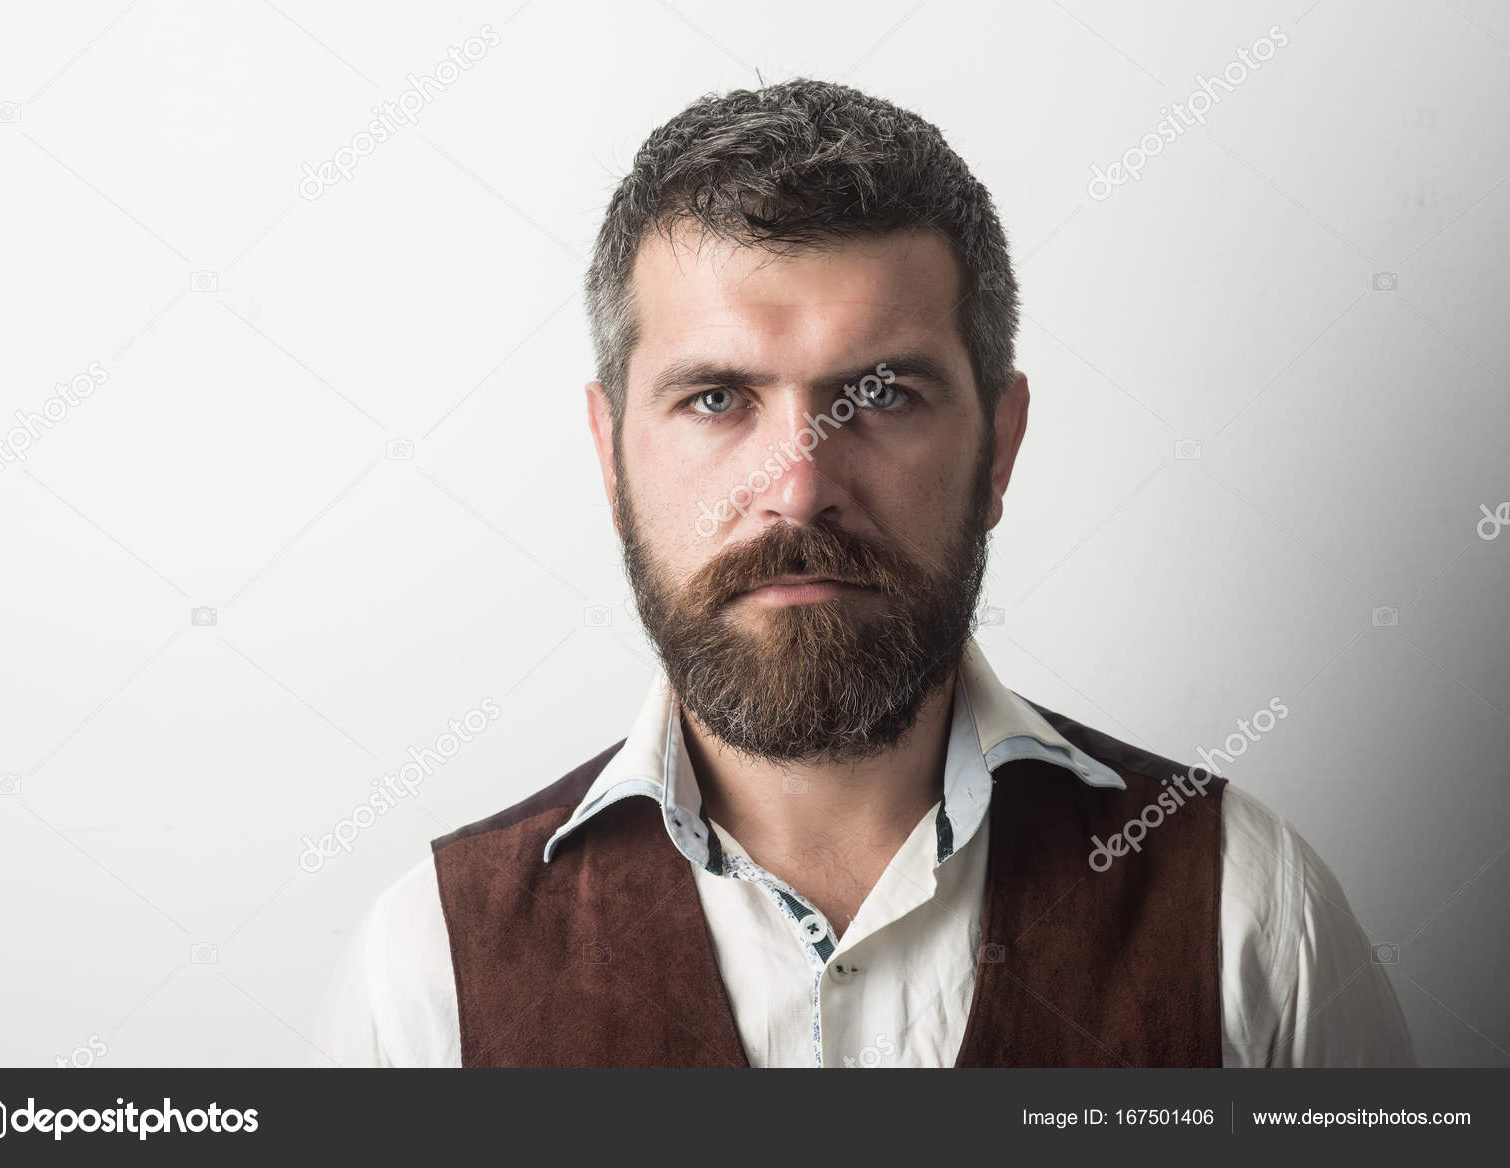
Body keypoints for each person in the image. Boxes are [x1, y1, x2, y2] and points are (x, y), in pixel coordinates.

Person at [316, 78, 1414, 1068]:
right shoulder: (430, 976)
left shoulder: (1244, 912)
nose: (798, 490)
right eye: (716, 398)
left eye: (881, 395)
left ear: (1000, 447)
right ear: (610, 454)